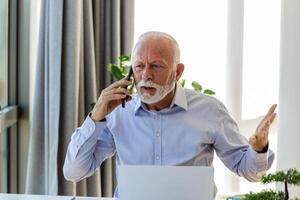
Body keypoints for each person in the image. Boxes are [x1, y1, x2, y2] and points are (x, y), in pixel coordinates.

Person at [63, 31, 276, 196]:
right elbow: (74, 172)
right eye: (139, 66)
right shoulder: (118, 112)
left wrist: (259, 149)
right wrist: (95, 118)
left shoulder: (210, 111)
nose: (146, 75)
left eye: (156, 66)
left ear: (178, 71)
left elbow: (248, 170)